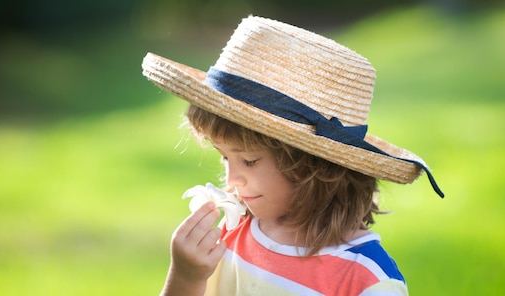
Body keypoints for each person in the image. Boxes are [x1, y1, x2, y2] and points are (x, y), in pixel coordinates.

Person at [142, 15, 444, 296]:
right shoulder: (231, 234)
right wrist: (186, 277)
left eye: (248, 161)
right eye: (224, 158)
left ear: (313, 167)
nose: (231, 180)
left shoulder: (366, 278)